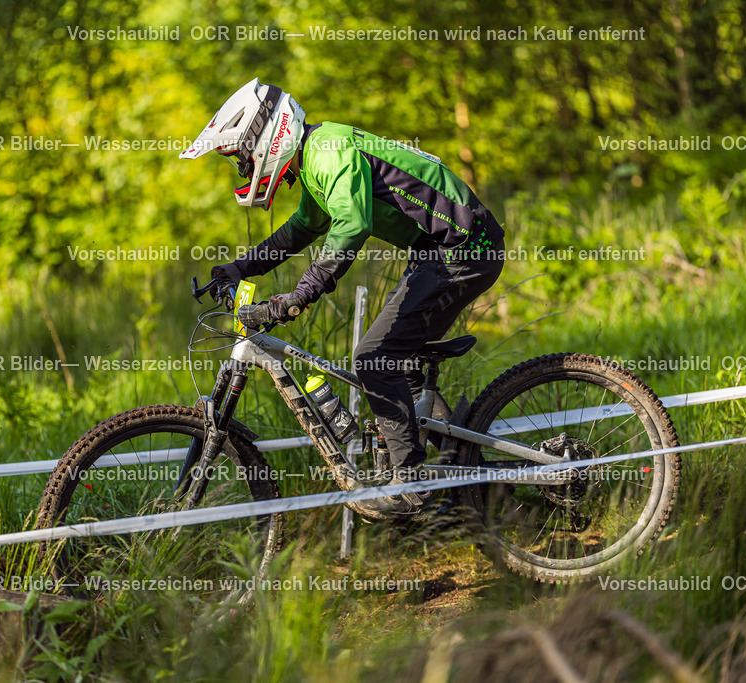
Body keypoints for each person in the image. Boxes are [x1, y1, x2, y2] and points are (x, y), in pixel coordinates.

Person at [180, 78, 505, 513]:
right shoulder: (316, 159)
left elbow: (351, 226)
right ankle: (467, 495)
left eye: (240, 156)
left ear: (266, 139)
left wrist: (300, 294)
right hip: (441, 249)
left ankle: (410, 484)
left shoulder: (329, 151)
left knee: (373, 357)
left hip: (464, 247)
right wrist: (241, 267)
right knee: (397, 364)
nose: (242, 167)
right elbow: (302, 230)